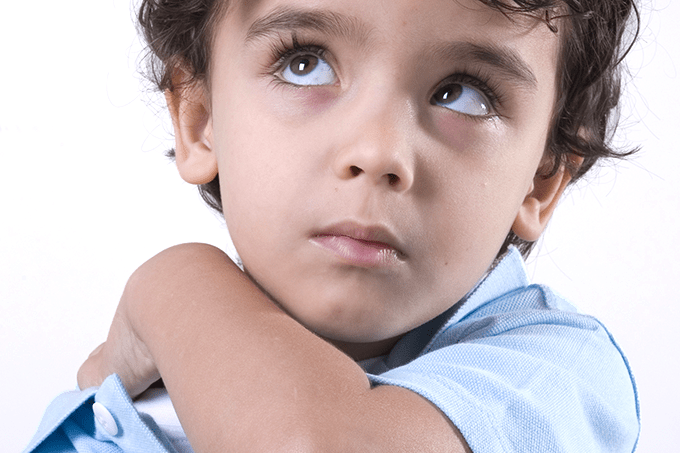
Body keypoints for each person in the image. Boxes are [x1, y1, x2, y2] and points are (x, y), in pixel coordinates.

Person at [23, 0, 641, 451]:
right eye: (305, 64)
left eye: (463, 93)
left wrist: (173, 287)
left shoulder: (555, 376)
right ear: (200, 118)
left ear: (541, 180)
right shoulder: (135, 395)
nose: (376, 151)